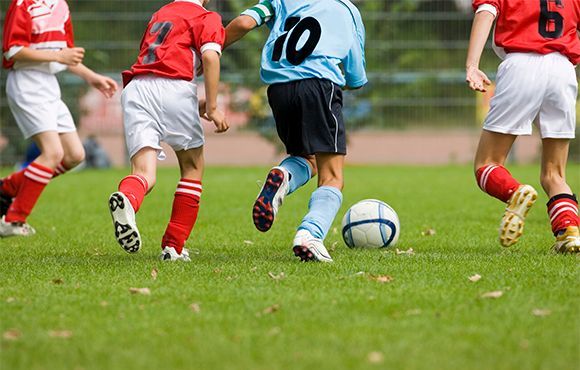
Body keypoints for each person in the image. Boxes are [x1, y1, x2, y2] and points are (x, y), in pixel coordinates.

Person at [225, 0, 367, 262]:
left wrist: (210, 50)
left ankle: (284, 174)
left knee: (306, 158)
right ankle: (309, 234)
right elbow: (355, 77)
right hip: (318, 84)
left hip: (278, 89)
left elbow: (244, 22)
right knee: (333, 176)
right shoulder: (347, 9)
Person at [108, 0, 228, 261]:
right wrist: (214, 106)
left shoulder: (160, 14)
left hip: (137, 89)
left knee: (143, 173)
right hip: (175, 87)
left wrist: (193, 105)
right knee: (193, 167)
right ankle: (173, 247)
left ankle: (127, 198)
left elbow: (159, 64)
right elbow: (209, 57)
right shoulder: (207, 17)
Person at [466, 0, 580, 253]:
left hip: (521, 65)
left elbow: (486, 12)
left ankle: (515, 192)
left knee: (487, 163)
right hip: (563, 70)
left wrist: (472, 65)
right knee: (555, 174)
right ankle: (569, 232)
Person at [0, 0, 117, 237]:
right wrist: (58, 56)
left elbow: (67, 55)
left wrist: (91, 77)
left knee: (75, 155)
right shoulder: (24, 3)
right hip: (26, 83)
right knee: (52, 153)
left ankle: (8, 187)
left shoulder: (61, 5)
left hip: (49, 86)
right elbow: (12, 51)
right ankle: (12, 219)